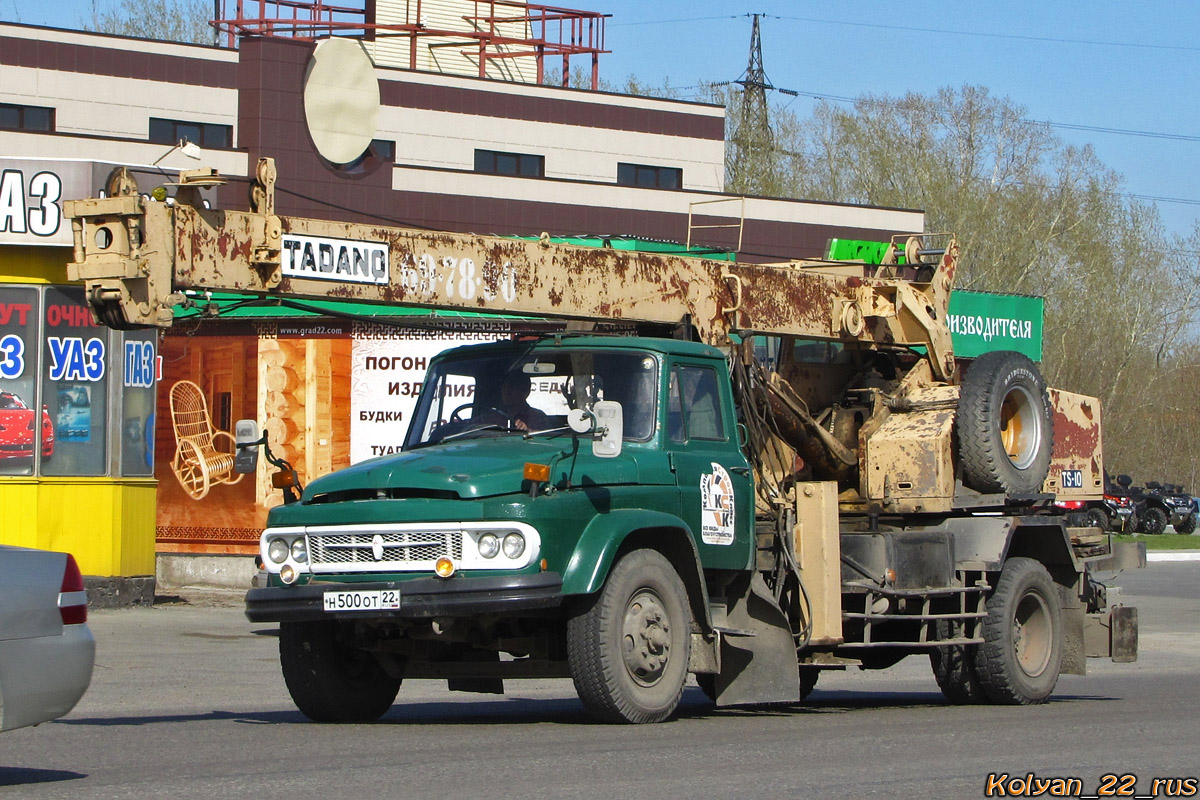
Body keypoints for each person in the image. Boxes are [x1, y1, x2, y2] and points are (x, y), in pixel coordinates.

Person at [483, 372, 550, 432]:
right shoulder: (493, 415)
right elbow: (473, 428)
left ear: (525, 392)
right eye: (504, 387)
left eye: (512, 388)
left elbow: (547, 439)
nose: (506, 391)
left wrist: (527, 431)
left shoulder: (537, 417)